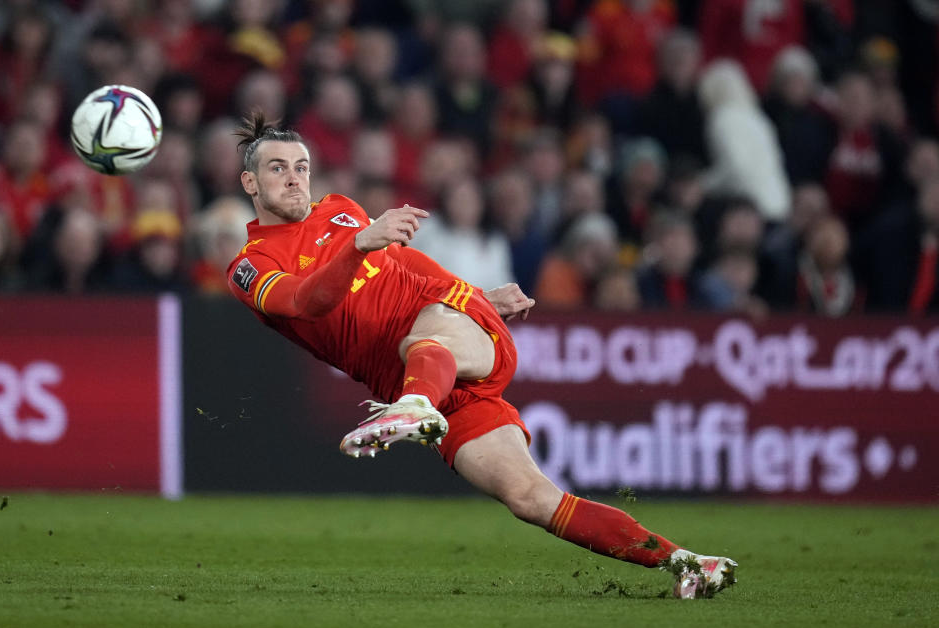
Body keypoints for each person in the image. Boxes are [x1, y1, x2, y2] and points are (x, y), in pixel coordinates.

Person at [225, 112, 737, 599]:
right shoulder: (251, 265)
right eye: (277, 168)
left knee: (423, 339)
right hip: (423, 380)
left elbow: (408, 262)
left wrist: (478, 296)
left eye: (301, 167)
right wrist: (358, 245)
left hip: (447, 328)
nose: (294, 179)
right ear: (250, 184)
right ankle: (689, 563)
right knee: (532, 499)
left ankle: (414, 405)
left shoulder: (340, 209)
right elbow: (305, 302)